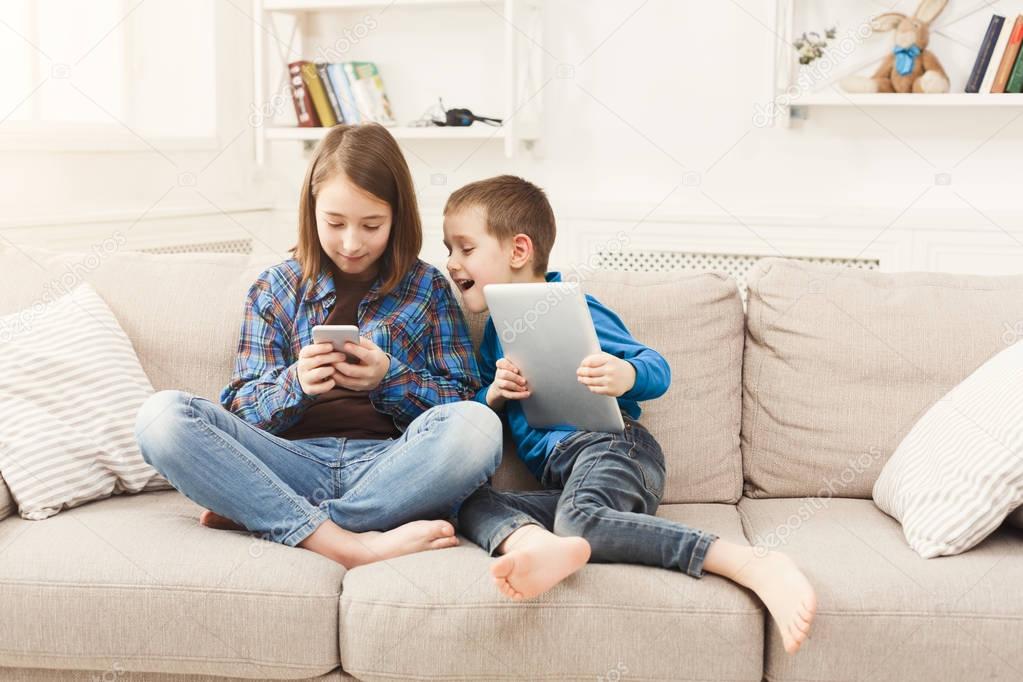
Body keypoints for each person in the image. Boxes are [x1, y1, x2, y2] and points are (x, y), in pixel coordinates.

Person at [442, 175, 816, 655]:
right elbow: (475, 414)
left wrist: (623, 374)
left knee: (578, 521)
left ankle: (749, 563)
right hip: (565, 480)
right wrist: (492, 394)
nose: (451, 262)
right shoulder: (495, 331)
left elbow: (655, 367)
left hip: (615, 449)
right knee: (466, 502)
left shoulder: (573, 305)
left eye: (465, 248)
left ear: (518, 250)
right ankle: (540, 543)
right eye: (448, 248)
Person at [134, 124, 501, 569]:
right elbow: (241, 411)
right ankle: (346, 542)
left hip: (389, 464)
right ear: (311, 212)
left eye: (371, 225)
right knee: (161, 416)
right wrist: (296, 383)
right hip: (287, 463)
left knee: (479, 426)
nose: (351, 242)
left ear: (398, 218)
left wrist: (389, 378)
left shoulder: (426, 288)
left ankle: (276, 517)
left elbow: (462, 399)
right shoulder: (276, 288)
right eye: (335, 223)